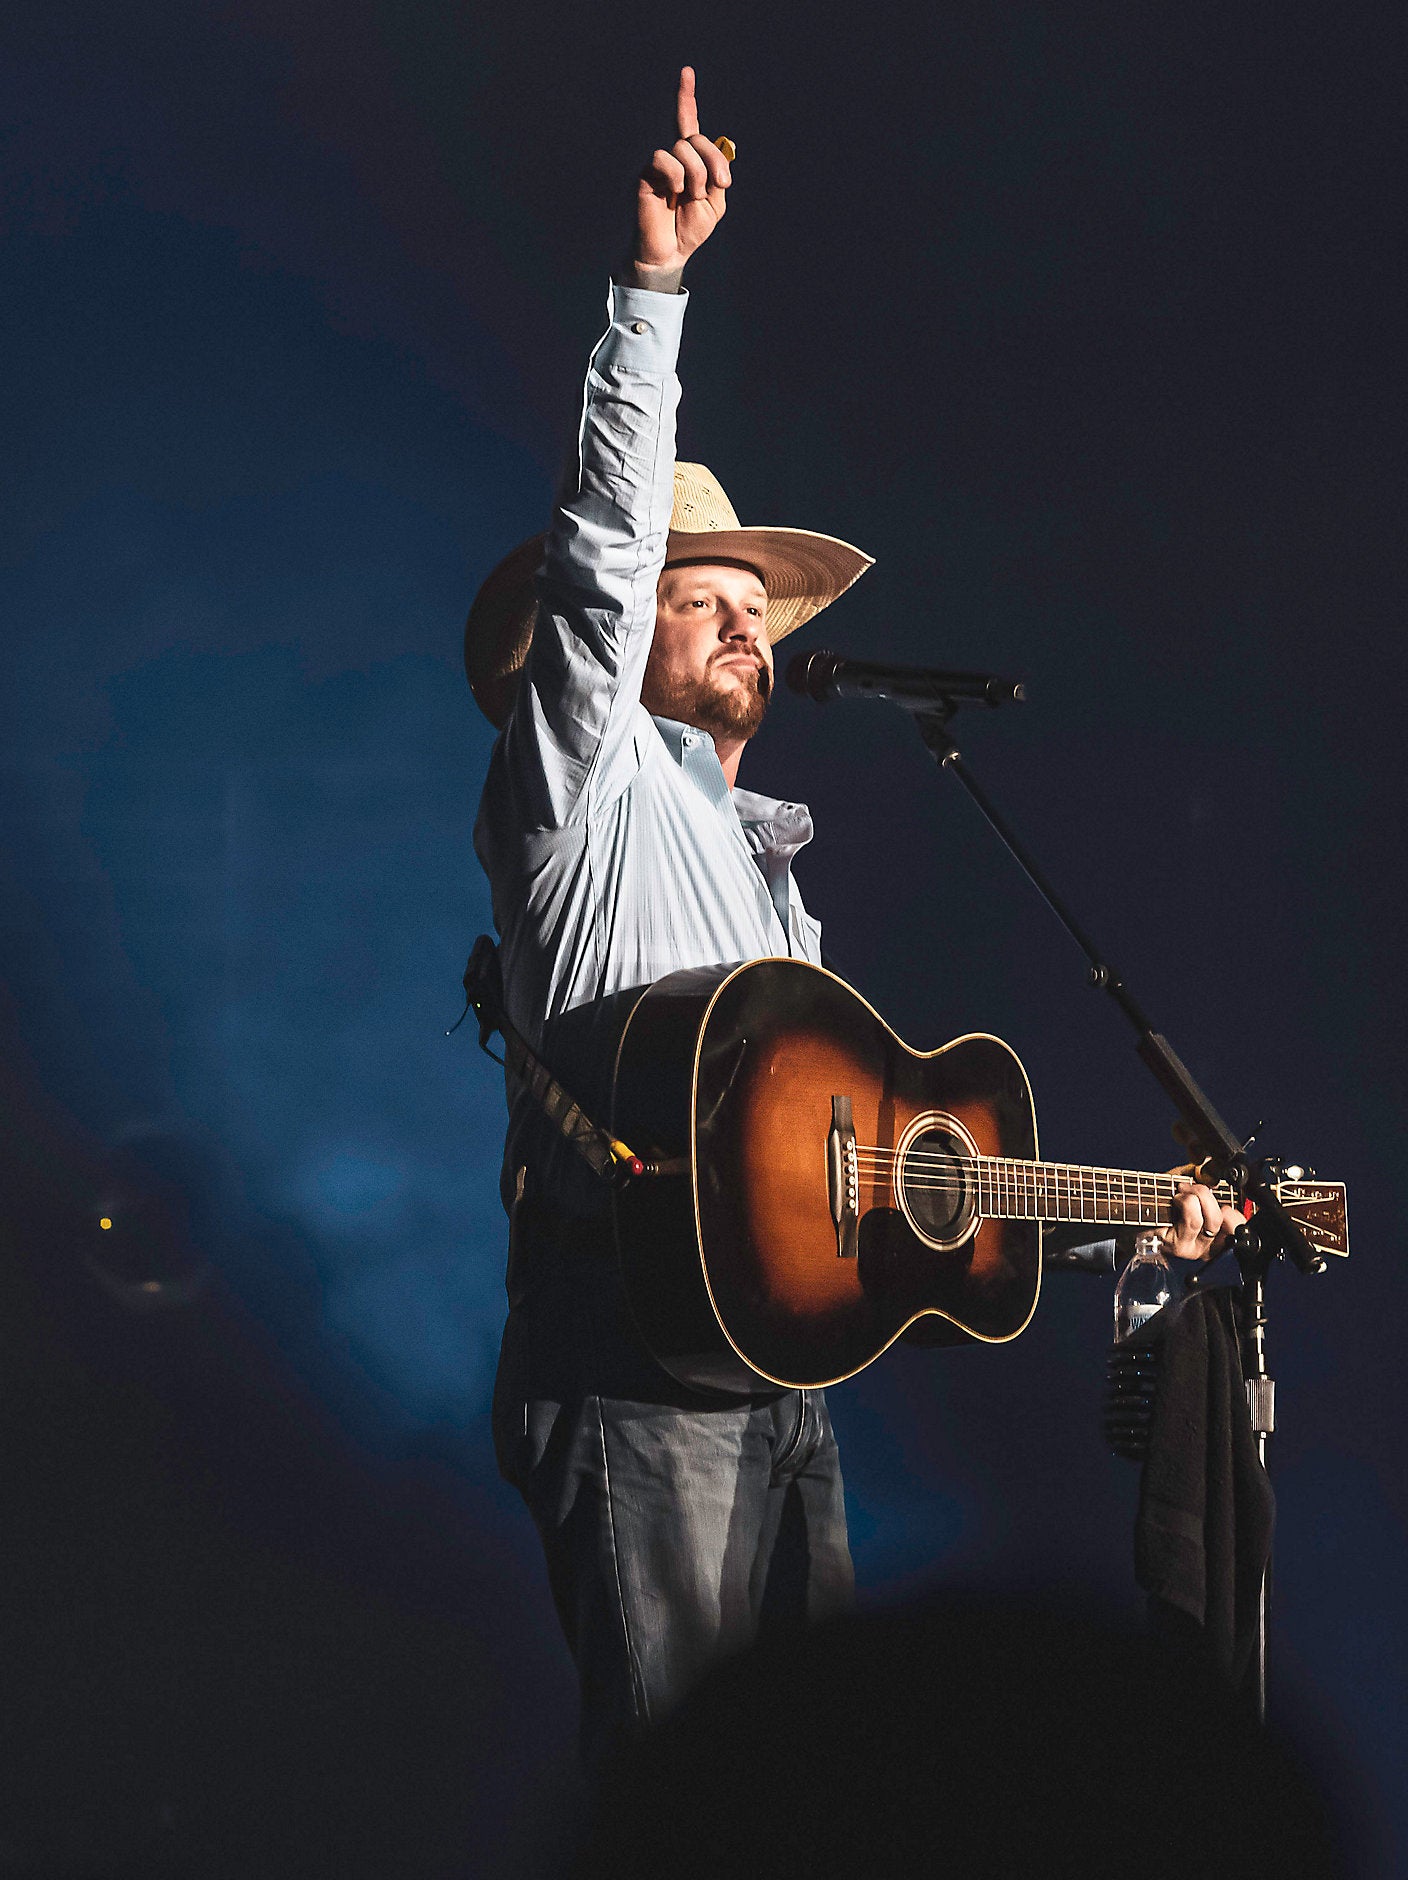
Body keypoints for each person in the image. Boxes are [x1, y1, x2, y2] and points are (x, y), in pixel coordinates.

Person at [465, 67, 1243, 1772]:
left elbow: (872, 1195)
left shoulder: (770, 885)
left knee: (807, 1806)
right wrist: (652, 292)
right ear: (617, 644)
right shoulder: (581, 785)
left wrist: (1134, 1240)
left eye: (756, 606)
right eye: (705, 603)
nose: (743, 628)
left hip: (779, 1381)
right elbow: (598, 554)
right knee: (692, 1802)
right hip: (637, 1369)